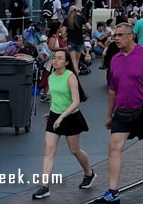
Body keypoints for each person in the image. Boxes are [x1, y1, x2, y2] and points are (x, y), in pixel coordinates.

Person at [97, 22, 143, 202]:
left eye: (120, 35)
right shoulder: (115, 59)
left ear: (131, 36)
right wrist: (108, 115)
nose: (116, 39)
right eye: (115, 36)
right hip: (123, 112)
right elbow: (113, 89)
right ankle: (113, 192)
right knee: (114, 147)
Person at [32, 50, 94, 199]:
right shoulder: (51, 77)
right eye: (54, 58)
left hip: (71, 116)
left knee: (75, 150)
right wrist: (52, 113)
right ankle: (44, 186)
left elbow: (76, 101)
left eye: (60, 58)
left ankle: (89, 173)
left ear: (66, 62)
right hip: (55, 115)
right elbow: (54, 98)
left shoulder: (70, 77)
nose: (56, 61)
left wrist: (62, 118)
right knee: (49, 150)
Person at [64, 7, 89, 74]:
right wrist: (82, 28)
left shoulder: (67, 19)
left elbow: (63, 31)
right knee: (77, 60)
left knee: (73, 60)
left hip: (70, 40)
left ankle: (75, 72)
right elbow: (89, 27)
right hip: (79, 40)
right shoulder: (81, 17)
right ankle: (76, 72)